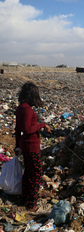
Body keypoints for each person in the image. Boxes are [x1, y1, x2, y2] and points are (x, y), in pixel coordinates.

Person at [15, 82, 51, 211]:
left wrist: (17, 145)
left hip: (26, 145)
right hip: (31, 146)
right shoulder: (27, 109)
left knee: (29, 173)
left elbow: (17, 129)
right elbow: (27, 129)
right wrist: (42, 125)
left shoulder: (21, 108)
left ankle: (25, 198)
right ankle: (31, 203)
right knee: (36, 174)